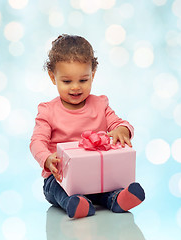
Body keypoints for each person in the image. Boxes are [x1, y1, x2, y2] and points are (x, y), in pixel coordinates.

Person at [30, 34, 145, 219]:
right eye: (67, 81)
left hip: (96, 179)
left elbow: (120, 123)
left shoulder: (100, 104)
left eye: (83, 80)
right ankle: (75, 204)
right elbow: (36, 142)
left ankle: (118, 199)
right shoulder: (48, 111)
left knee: (108, 187)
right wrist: (46, 159)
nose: (75, 87)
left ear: (93, 74)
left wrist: (122, 130)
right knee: (59, 189)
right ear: (53, 77)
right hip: (60, 178)